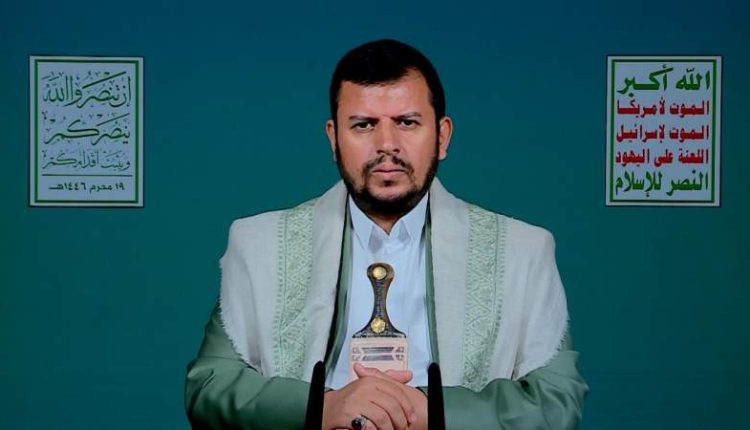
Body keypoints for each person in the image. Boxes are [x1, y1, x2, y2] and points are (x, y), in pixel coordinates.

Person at [185, 39, 588, 430]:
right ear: (334, 139)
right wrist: (322, 407)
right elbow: (210, 387)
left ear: (442, 136)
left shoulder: (522, 251)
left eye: (407, 123)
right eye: (363, 125)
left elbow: (556, 401)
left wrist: (432, 413)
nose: (387, 145)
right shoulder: (259, 244)